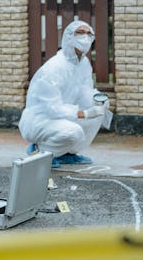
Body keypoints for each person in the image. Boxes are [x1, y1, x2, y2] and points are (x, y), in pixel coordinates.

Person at [18, 19, 110, 168]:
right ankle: (39, 151)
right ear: (69, 37)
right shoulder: (55, 67)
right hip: (41, 119)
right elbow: (52, 108)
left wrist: (99, 101)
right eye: (80, 32)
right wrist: (84, 114)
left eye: (89, 34)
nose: (85, 37)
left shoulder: (83, 64)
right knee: (73, 132)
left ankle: (66, 153)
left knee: (99, 110)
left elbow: (85, 92)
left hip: (62, 115)